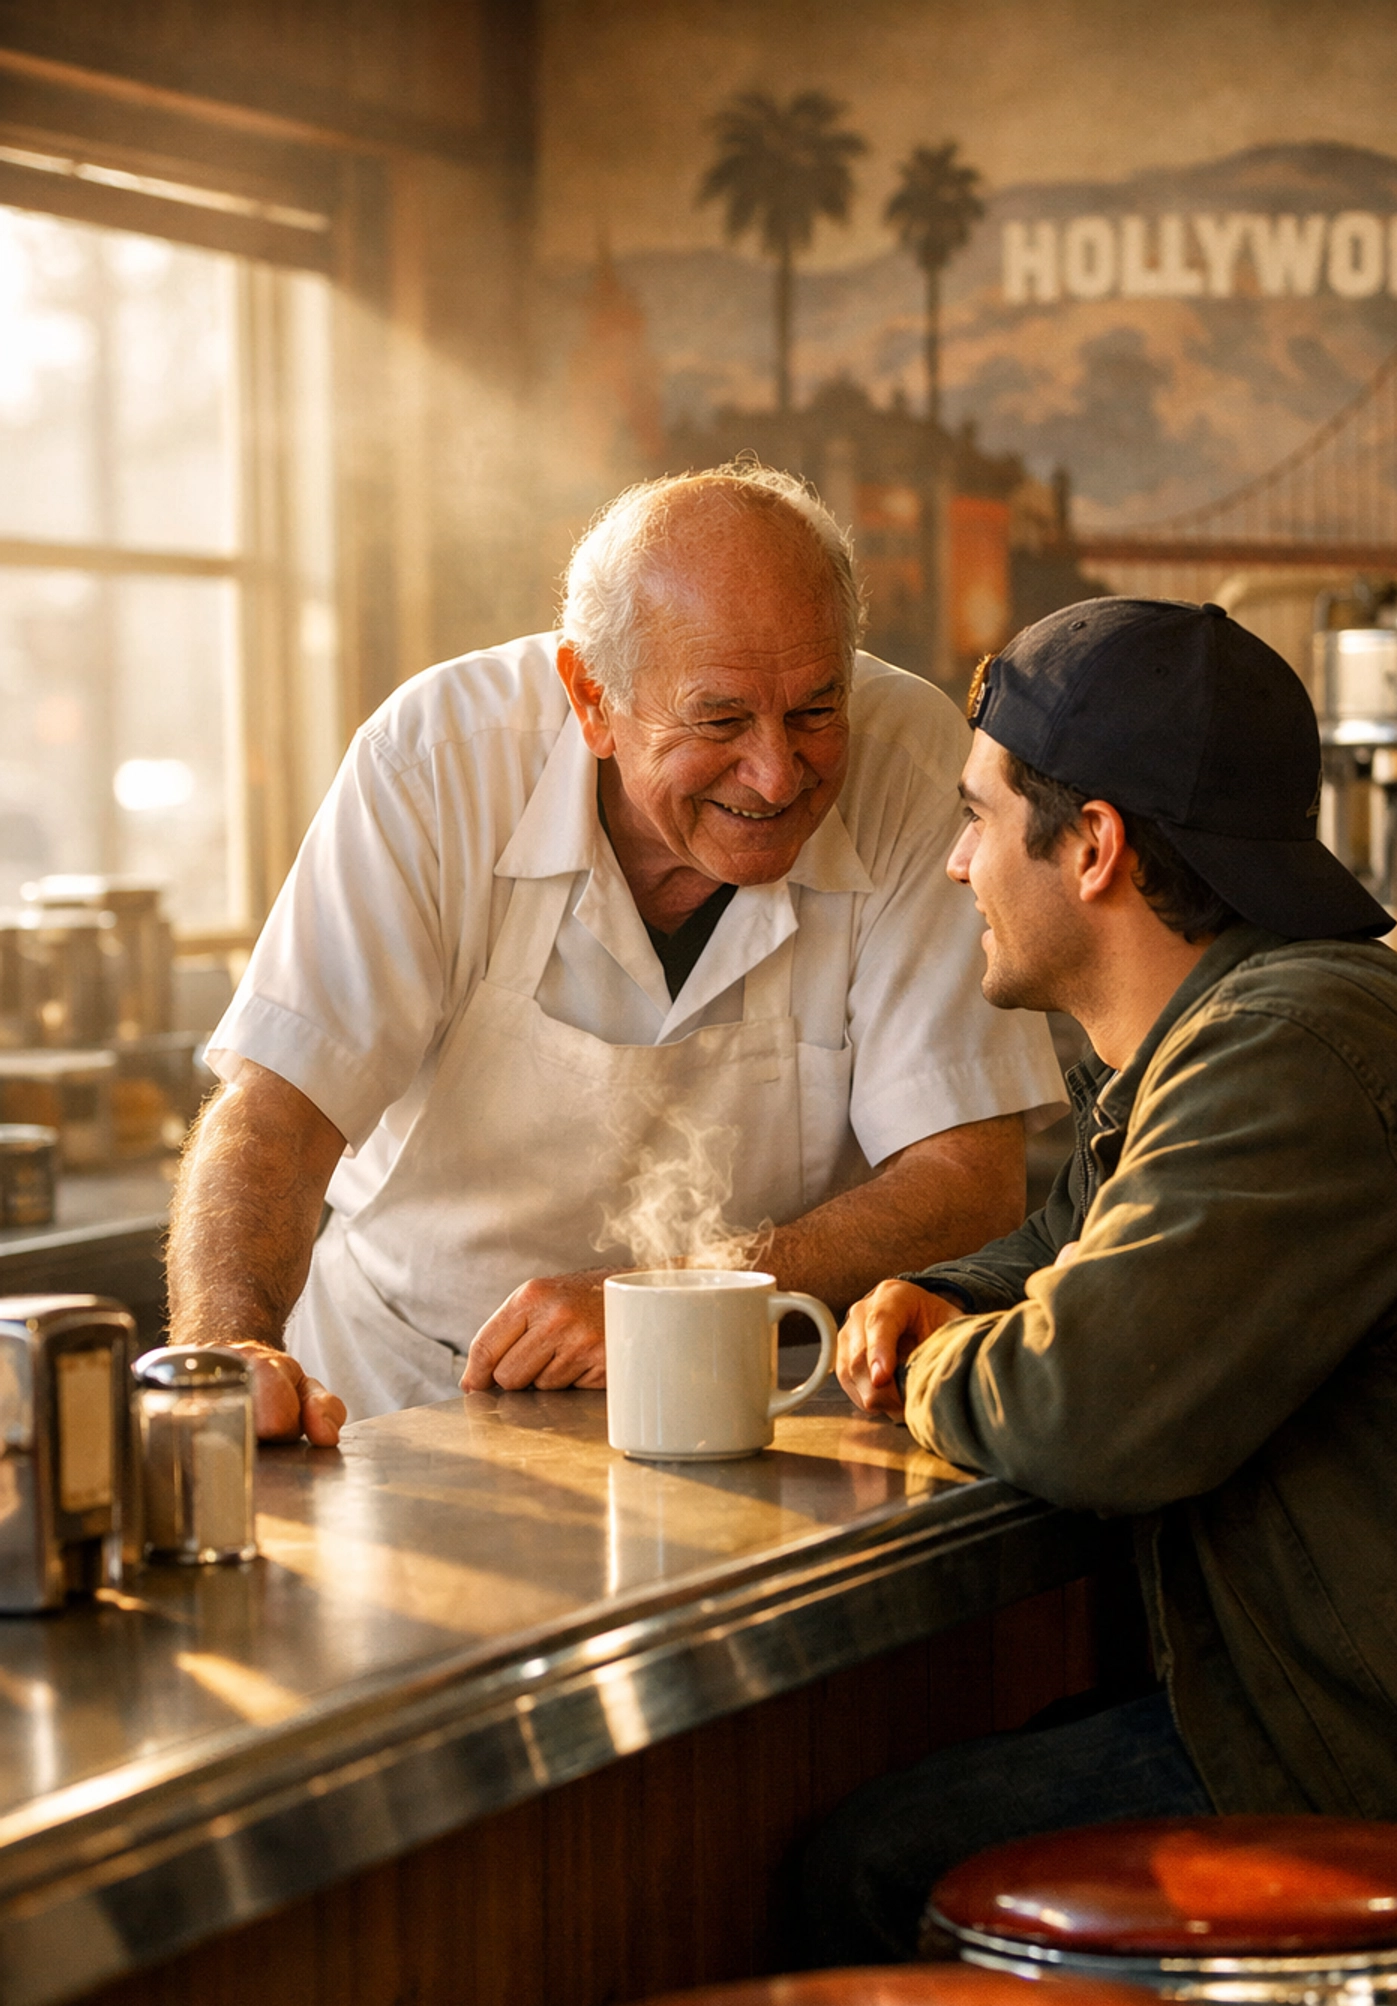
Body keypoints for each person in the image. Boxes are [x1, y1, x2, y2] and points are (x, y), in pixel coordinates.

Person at [809, 594, 1397, 1966]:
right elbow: (1070, 1251)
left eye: (977, 816)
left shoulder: (1297, 1052)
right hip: (1311, 1708)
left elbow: (1086, 1407)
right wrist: (953, 1293)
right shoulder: (1228, 1035)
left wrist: (920, 1363)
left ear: (1092, 847)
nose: (958, 866)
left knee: (869, 1867)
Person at [168, 466, 1066, 1437]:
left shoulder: (916, 765)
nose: (776, 774)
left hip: (763, 1396)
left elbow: (967, 1184)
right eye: (719, 719)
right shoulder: (433, 762)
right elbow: (276, 1116)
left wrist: (670, 1295)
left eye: (815, 709)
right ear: (591, 698)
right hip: (401, 1389)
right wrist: (229, 1354)